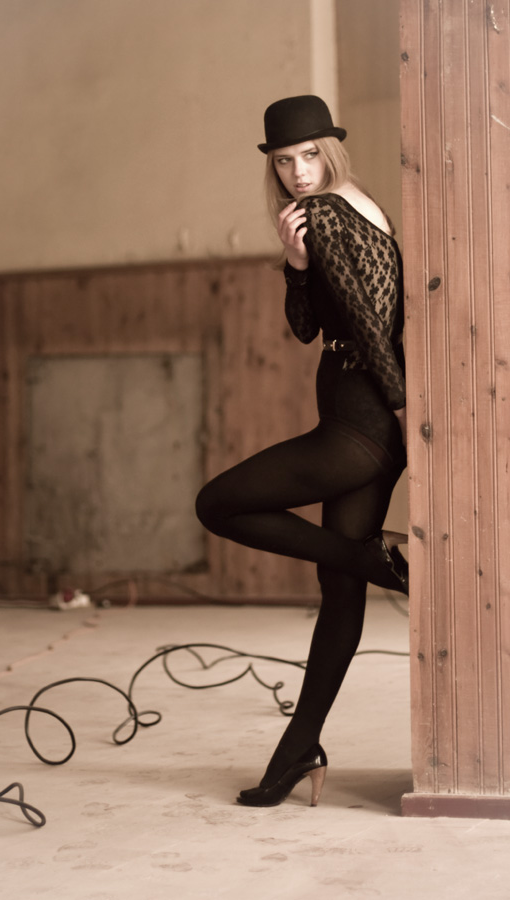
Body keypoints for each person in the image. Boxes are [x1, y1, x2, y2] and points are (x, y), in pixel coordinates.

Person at [195, 95, 408, 808]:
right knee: (339, 589)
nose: (297, 172)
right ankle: (299, 749)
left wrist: (401, 406)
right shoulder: (358, 205)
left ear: (330, 150)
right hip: (370, 421)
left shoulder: (324, 212)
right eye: (284, 161)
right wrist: (294, 263)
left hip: (358, 425)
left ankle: (379, 563)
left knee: (217, 504)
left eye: (309, 155)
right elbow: (313, 322)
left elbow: (364, 327)